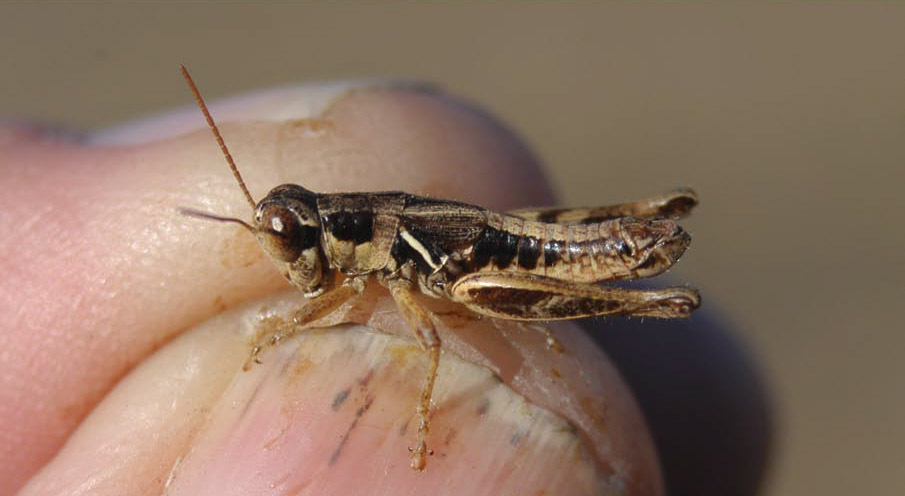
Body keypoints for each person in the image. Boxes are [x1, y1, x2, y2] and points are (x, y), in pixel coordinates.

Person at [1, 81, 769, 495]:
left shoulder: (381, 244)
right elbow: (327, 295)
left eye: (295, 236)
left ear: (331, 228)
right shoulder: (356, 244)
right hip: (472, 246)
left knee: (463, 300)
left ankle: (644, 242)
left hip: (509, 255)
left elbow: (425, 335)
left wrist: (420, 423)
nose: (294, 255)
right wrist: (280, 325)